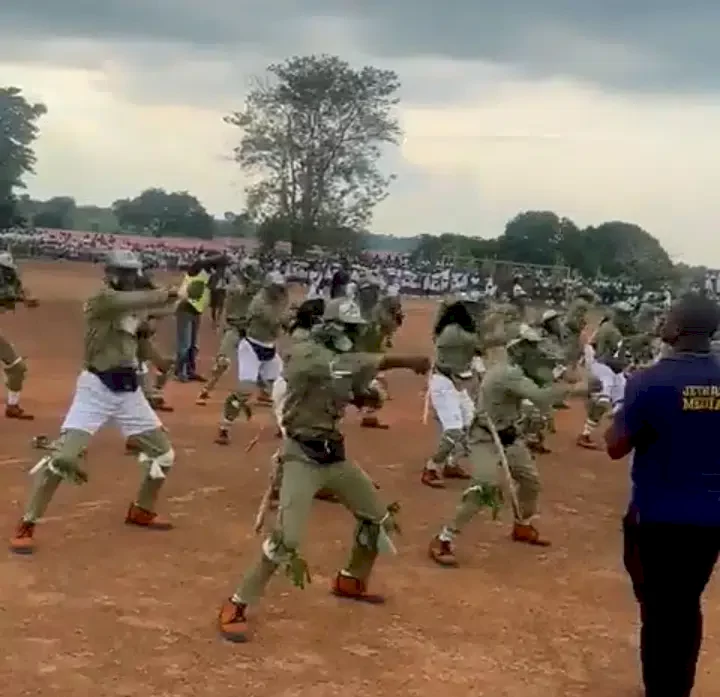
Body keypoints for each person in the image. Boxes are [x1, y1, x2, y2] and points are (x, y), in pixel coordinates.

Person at [217, 297, 430, 643]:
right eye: (347, 329)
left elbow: (350, 387)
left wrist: (366, 398)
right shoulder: (307, 353)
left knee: (376, 518)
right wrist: (405, 361)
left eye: (353, 329)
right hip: (301, 457)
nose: (352, 334)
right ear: (331, 327)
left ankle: (351, 578)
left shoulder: (339, 360)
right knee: (287, 540)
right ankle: (238, 601)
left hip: (333, 455)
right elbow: (341, 369)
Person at [9, 250, 180, 554]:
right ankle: (28, 522)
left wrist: (160, 360)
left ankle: (141, 508)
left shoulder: (134, 306)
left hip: (128, 391)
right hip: (96, 389)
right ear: (111, 273)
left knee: (164, 455)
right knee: (62, 459)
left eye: (132, 272)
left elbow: (138, 338)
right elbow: (138, 302)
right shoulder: (103, 299)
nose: (129, 278)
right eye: (124, 272)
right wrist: (166, 294)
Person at [606, 293, 720, 697]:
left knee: (657, 608)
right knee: (688, 601)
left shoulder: (647, 381)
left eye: (668, 318)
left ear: (676, 328)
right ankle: (679, 688)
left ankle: (660, 689)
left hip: (658, 514)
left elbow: (615, 446)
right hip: (711, 516)